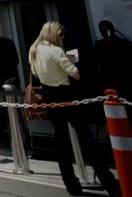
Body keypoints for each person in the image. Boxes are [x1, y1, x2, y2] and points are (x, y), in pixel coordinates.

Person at [29, 21, 119, 197]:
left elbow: (36, 75)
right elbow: (75, 74)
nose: (63, 38)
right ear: (55, 35)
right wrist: (72, 62)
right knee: (86, 138)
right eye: (61, 35)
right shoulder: (56, 51)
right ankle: (108, 182)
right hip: (66, 96)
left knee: (61, 141)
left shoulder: (35, 51)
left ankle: (71, 184)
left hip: (49, 97)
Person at [93, 20, 132, 100]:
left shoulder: (123, 43)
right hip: (107, 81)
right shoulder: (98, 45)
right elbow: (97, 61)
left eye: (106, 29)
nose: (104, 31)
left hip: (123, 80)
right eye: (102, 29)